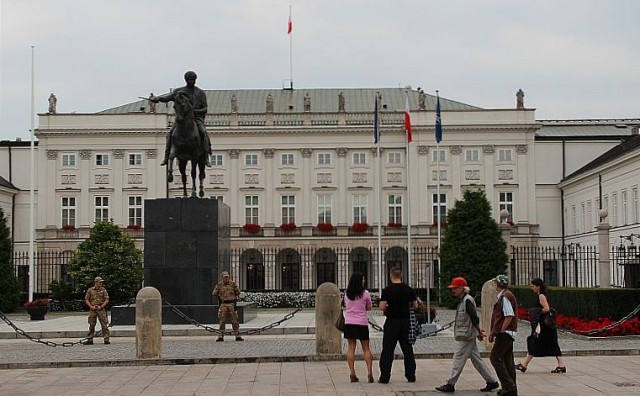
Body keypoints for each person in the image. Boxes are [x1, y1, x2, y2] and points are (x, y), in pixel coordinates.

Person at [436, 277, 499, 393]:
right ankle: (491, 382)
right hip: (468, 334)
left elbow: (474, 317)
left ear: (461, 288)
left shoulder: (467, 300)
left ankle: (450, 384)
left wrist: (479, 331)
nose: (453, 290)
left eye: (455, 288)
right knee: (476, 360)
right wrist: (477, 332)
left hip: (467, 335)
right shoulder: (464, 300)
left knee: (458, 358)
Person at [150, 71, 212, 167]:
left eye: (193, 80)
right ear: (186, 80)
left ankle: (205, 157)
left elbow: (205, 109)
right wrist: (157, 98)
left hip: (196, 119)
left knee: (203, 132)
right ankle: (166, 157)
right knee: (170, 133)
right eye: (189, 80)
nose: (191, 82)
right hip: (182, 120)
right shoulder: (179, 92)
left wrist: (194, 111)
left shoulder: (200, 93)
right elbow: (167, 98)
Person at [516, 278, 566, 374]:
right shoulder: (542, 295)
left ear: (538, 286)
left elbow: (546, 308)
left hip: (544, 326)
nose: (532, 288)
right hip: (545, 326)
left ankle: (524, 365)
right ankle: (561, 365)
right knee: (546, 343)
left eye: (533, 286)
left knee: (534, 341)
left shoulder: (541, 296)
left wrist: (537, 312)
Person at [378, 266, 417, 384]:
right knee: (407, 349)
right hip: (405, 322)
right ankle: (411, 375)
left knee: (388, 350)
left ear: (391, 276)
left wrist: (389, 306)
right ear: (401, 276)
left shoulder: (387, 290)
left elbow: (381, 307)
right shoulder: (408, 289)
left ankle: (385, 376)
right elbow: (415, 306)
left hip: (392, 321)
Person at [489, 274, 518, 396]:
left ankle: (508, 385)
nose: (494, 285)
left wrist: (501, 330)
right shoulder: (506, 295)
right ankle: (511, 388)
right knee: (507, 360)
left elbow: (509, 315)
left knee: (494, 358)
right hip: (509, 332)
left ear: (499, 285)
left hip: (505, 333)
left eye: (495, 283)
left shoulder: (505, 296)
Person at [343, 272, 374, 383]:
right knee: (366, 348)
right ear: (359, 281)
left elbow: (346, 305)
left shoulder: (347, 293)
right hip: (361, 323)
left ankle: (352, 373)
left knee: (351, 348)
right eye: (363, 279)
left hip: (349, 323)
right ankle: (369, 372)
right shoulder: (365, 293)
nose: (364, 281)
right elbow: (369, 307)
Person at [212, 271, 243, 342]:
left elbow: (238, 292)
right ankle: (221, 336)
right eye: (225, 277)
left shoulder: (233, 284)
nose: (226, 278)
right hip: (223, 304)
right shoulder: (219, 285)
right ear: (222, 277)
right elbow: (214, 293)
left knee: (234, 320)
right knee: (222, 320)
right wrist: (219, 296)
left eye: (227, 277)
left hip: (231, 304)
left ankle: (237, 335)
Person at [84, 276, 110, 345]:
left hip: (101, 309)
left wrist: (101, 306)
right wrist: (91, 306)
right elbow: (86, 299)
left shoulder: (103, 290)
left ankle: (106, 339)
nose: (101, 284)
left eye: (101, 282)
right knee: (92, 324)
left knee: (104, 324)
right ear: (96, 282)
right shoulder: (90, 290)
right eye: (99, 282)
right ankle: (90, 339)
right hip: (93, 309)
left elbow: (106, 299)